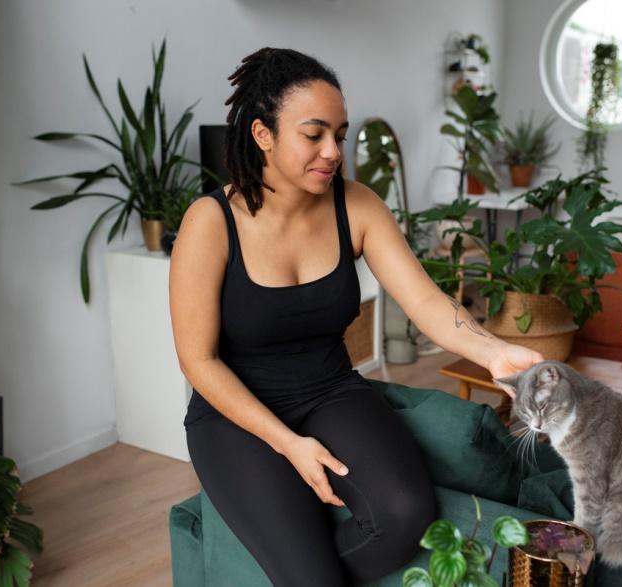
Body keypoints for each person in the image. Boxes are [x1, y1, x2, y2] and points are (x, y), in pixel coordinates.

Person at [169, 47, 543, 586]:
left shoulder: (357, 206)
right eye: (314, 134)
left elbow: (424, 301)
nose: (332, 152)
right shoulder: (211, 221)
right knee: (308, 573)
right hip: (233, 414)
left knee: (405, 516)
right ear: (262, 134)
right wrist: (287, 444)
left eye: (340, 136)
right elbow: (197, 360)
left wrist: (493, 351)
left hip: (330, 389)